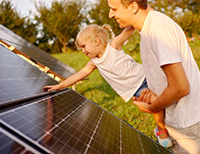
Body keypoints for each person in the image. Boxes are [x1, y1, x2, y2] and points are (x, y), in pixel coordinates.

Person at [106, 0, 200, 153]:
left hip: (188, 124)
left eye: (114, 9)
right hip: (182, 118)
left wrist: (152, 107)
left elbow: (180, 87)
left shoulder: (156, 30)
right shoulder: (150, 27)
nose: (111, 15)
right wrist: (154, 95)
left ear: (133, 7)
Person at [43, 24, 173, 148]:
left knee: (168, 95)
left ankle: (172, 121)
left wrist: (140, 13)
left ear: (96, 41)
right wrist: (60, 85)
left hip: (145, 75)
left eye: (84, 46)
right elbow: (80, 74)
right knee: (157, 105)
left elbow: (128, 30)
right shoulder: (94, 63)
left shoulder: (114, 46)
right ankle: (160, 129)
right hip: (136, 89)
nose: (83, 51)